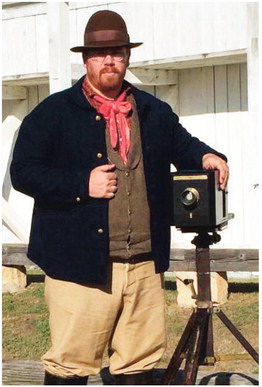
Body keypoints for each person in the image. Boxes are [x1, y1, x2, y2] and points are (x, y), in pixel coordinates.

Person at [10, 10, 229, 386]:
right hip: (78, 266)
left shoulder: (152, 110)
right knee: (70, 366)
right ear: (85, 60)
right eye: (100, 53)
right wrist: (82, 185)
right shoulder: (53, 113)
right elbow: (24, 172)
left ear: (128, 56)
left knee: (138, 366)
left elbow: (183, 144)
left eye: (117, 51)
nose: (109, 60)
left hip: (144, 263)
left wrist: (207, 155)